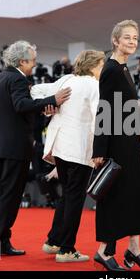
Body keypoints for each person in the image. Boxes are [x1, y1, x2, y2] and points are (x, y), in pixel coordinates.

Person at [0, 40, 71, 256]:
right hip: (15, 149)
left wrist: (41, 108)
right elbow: (20, 105)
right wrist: (53, 99)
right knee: (9, 198)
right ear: (22, 61)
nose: (34, 65)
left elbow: (5, 112)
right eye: (33, 61)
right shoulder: (18, 79)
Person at [91, 20, 140, 271]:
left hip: (128, 142)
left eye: (135, 38)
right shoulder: (110, 69)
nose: (132, 42)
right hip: (115, 144)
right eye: (127, 38)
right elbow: (103, 111)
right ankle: (103, 251)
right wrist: (99, 150)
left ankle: (134, 249)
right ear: (115, 41)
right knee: (115, 197)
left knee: (134, 195)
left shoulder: (123, 68)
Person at [31, 50, 105, 263]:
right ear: (92, 67)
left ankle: (53, 241)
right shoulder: (93, 85)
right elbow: (96, 119)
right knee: (74, 198)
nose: (103, 69)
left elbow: (36, 89)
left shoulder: (67, 79)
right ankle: (66, 249)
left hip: (59, 146)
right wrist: (100, 149)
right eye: (101, 65)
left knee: (67, 195)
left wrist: (49, 104)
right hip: (79, 149)